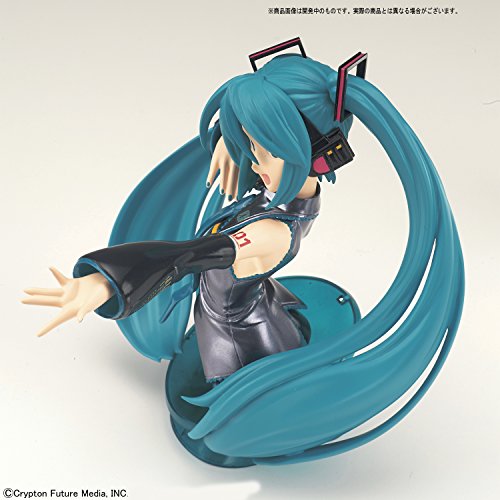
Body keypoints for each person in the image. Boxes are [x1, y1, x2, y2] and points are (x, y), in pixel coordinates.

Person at [23, 43, 464, 467]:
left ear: (307, 153)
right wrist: (232, 139)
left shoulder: (268, 234)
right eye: (252, 147)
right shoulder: (290, 190)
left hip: (238, 343)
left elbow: (186, 257)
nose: (252, 162)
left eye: (263, 150)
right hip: (256, 305)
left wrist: (108, 282)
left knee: (223, 424)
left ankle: (255, 405)